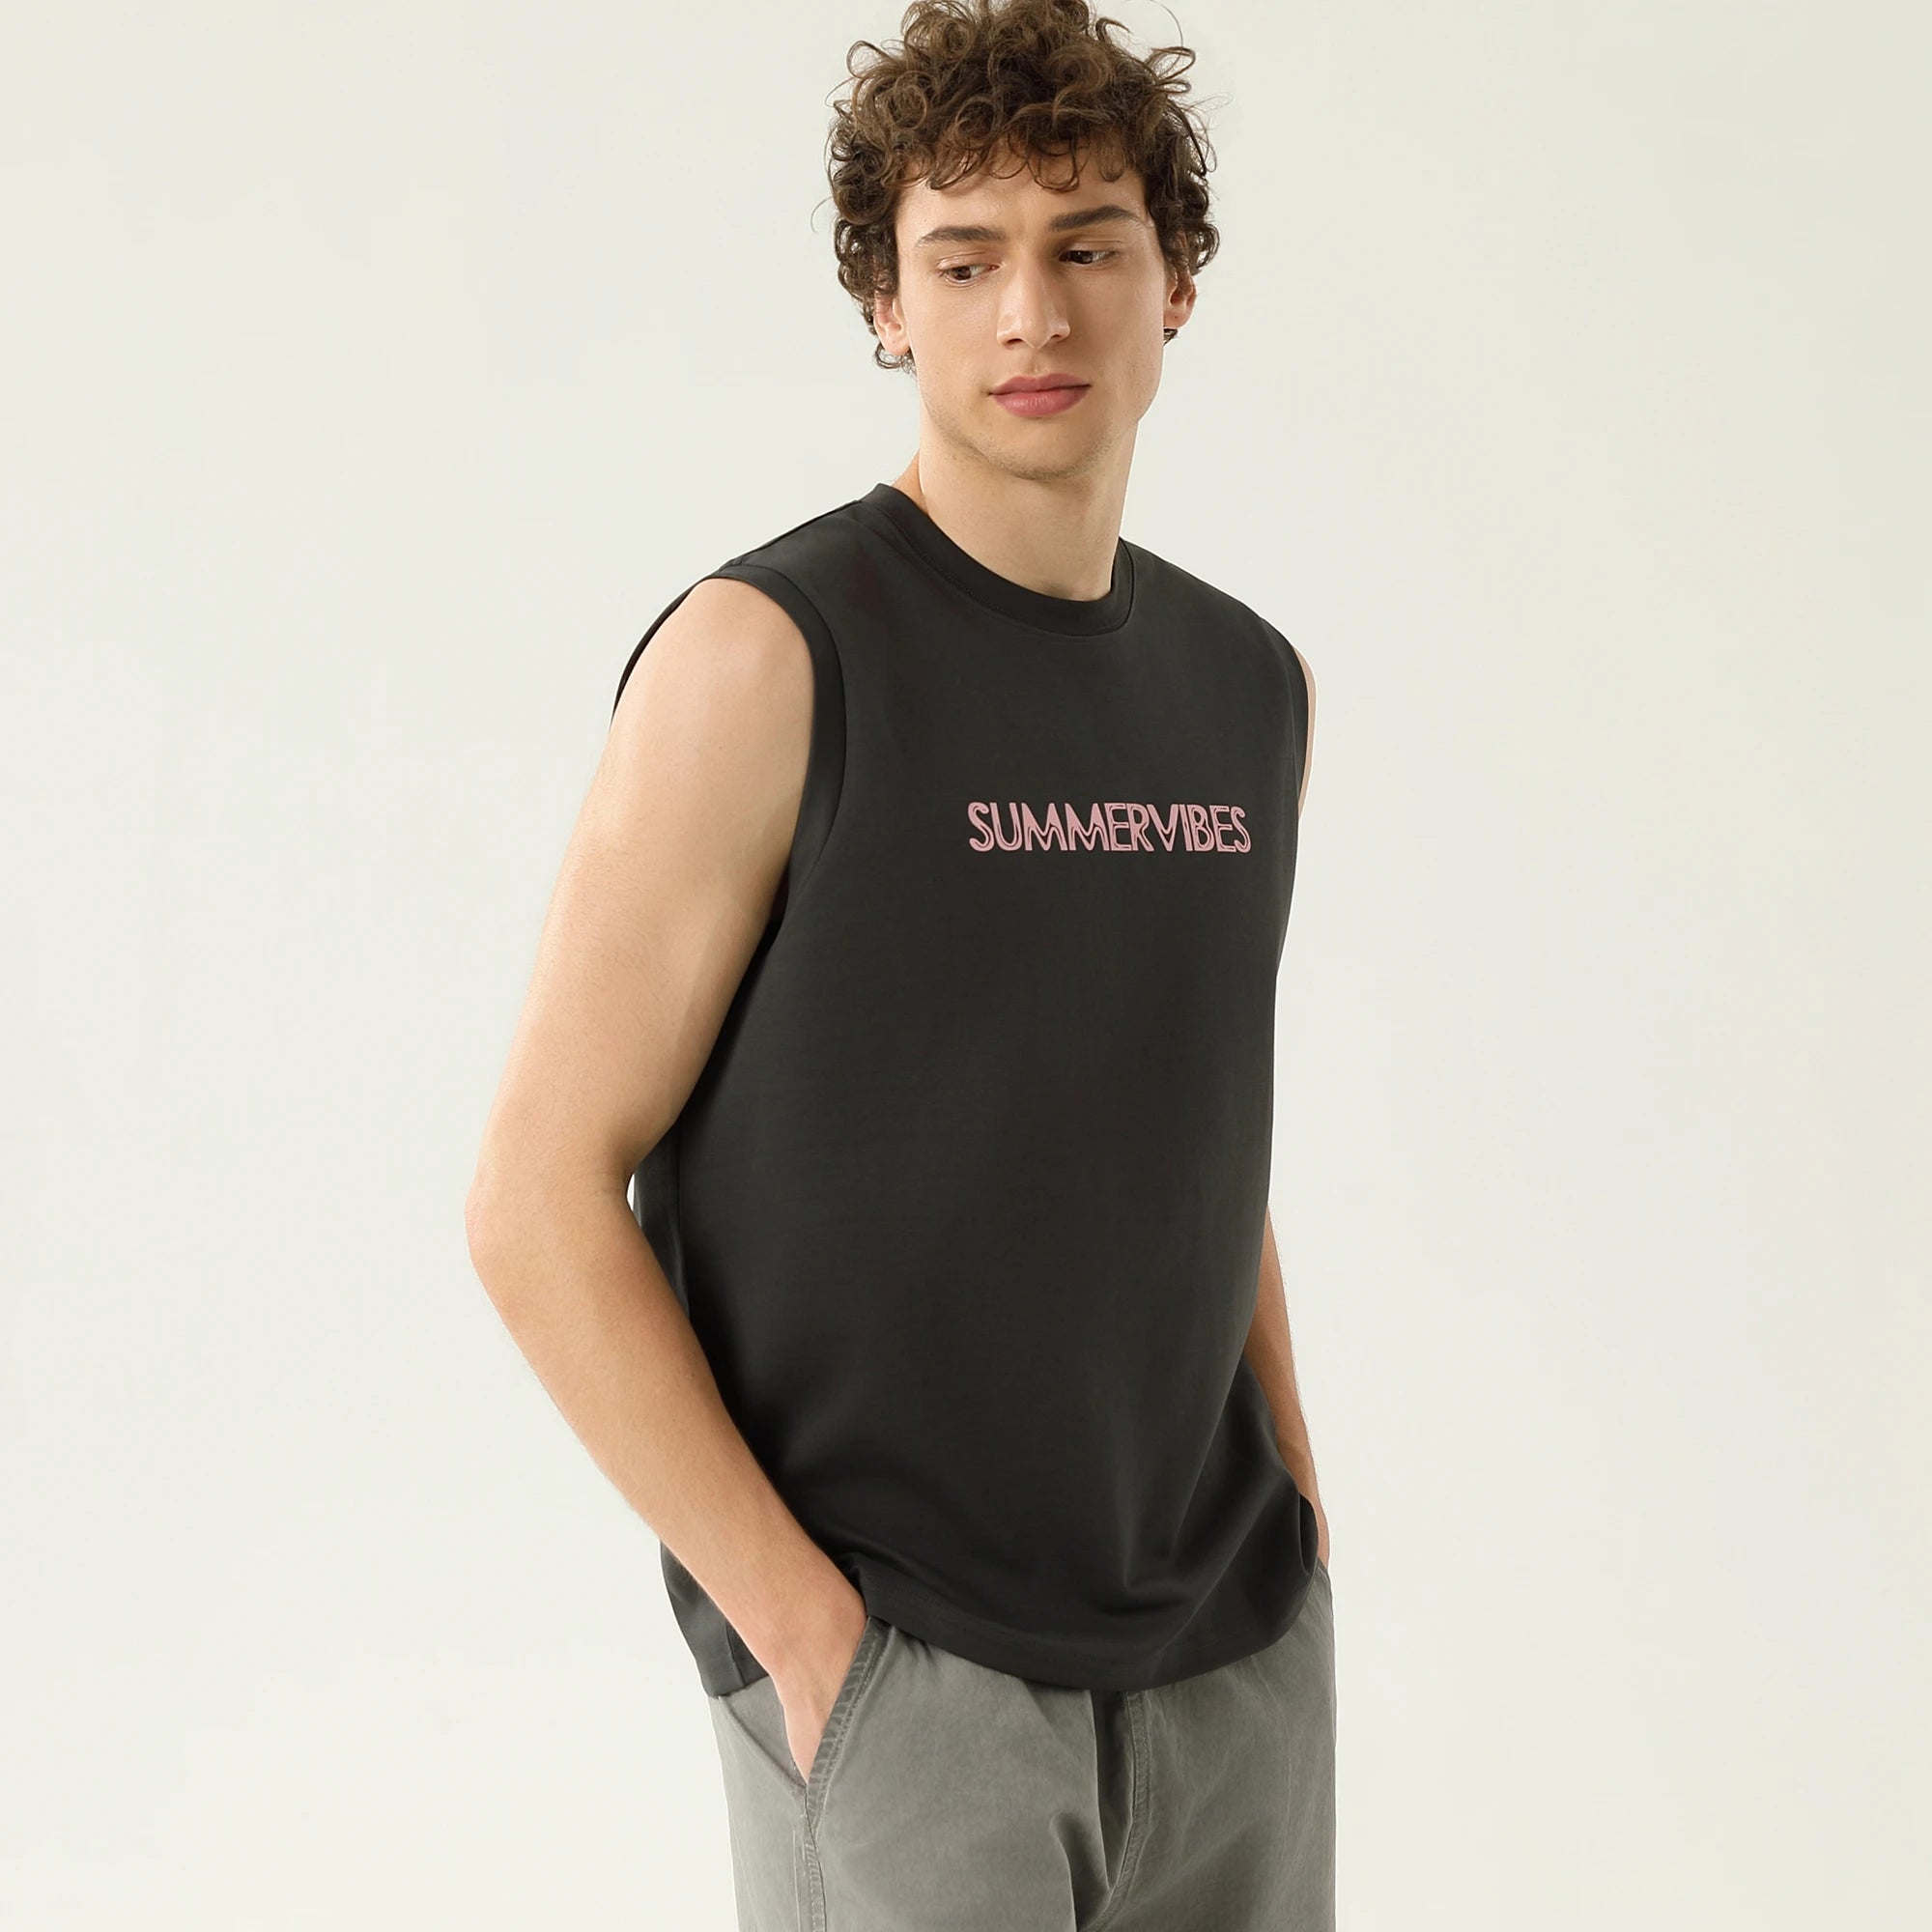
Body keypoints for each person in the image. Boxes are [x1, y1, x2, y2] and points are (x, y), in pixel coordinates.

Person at [466, 1, 1333, 1924]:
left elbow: (1191, 1120)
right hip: (904, 1672)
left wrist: (1296, 1484)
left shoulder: (1247, 688)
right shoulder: (767, 659)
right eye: (964, 258)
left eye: (1088, 246)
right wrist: (799, 1630)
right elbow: (534, 1197)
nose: (1032, 313)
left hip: (1230, 1657)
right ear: (885, 301)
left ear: (1176, 285)